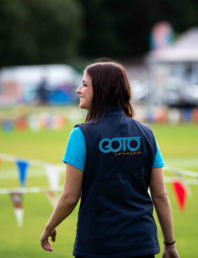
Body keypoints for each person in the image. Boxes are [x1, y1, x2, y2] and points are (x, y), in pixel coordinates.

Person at [40, 60, 180, 258]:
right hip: (142, 244)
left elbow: (70, 197)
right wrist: (170, 245)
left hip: (98, 245)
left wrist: (49, 227)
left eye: (85, 84)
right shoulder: (146, 133)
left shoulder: (81, 134)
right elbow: (161, 196)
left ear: (102, 90)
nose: (79, 90)